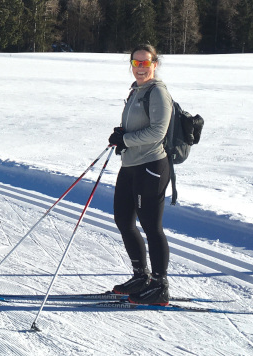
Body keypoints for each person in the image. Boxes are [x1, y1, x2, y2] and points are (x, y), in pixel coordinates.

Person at [108, 44, 173, 305]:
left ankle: (159, 285)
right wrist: (122, 136)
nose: (141, 68)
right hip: (131, 164)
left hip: (151, 165)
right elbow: (136, 126)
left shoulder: (158, 92)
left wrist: (127, 140)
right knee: (123, 219)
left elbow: (158, 132)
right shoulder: (136, 90)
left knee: (150, 225)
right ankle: (140, 276)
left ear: (155, 64)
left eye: (145, 63)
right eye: (136, 63)